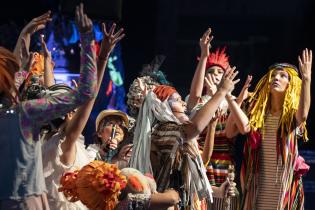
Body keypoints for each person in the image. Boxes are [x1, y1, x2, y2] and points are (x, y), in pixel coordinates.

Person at [0, 3, 97, 209]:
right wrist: (88, 41)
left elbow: (11, 87)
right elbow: (86, 91)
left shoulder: (10, 109)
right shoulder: (24, 114)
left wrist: (23, 39)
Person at [41, 4, 125, 209]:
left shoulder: (47, 139)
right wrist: (103, 57)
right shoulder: (66, 141)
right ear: (68, 113)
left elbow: (51, 94)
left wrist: (47, 64)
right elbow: (90, 98)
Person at [129, 64, 239, 209]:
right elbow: (195, 128)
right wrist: (222, 91)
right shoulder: (163, 131)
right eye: (177, 99)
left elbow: (183, 184)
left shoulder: (173, 134)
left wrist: (219, 191)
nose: (183, 103)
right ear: (161, 107)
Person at [225, 49, 312, 210]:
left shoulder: (290, 115)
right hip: (259, 185)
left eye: (282, 75)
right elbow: (230, 132)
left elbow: (304, 115)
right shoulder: (257, 111)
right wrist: (232, 98)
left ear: (291, 84)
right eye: (273, 75)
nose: (276, 78)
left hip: (282, 188)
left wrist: (306, 78)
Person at [186, 28, 252, 209]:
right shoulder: (199, 104)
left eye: (219, 73)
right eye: (211, 72)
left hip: (223, 167)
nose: (215, 75)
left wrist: (230, 97)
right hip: (198, 165)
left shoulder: (228, 105)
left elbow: (238, 129)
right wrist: (204, 56)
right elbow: (194, 94)